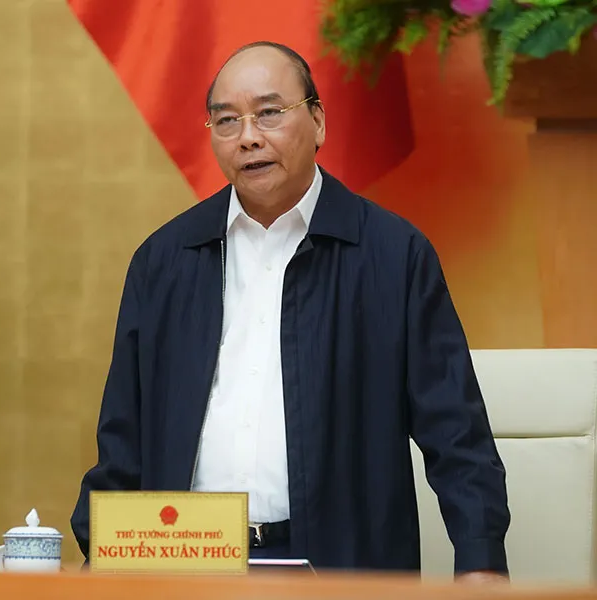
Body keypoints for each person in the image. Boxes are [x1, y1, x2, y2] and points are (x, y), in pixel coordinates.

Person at [70, 41, 510, 582]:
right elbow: (123, 441)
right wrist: (97, 557)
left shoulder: (393, 255)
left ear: (318, 122)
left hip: (337, 568)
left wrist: (481, 560)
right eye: (226, 120)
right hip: (186, 562)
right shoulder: (164, 261)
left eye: (270, 113)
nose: (248, 136)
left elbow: (456, 431)